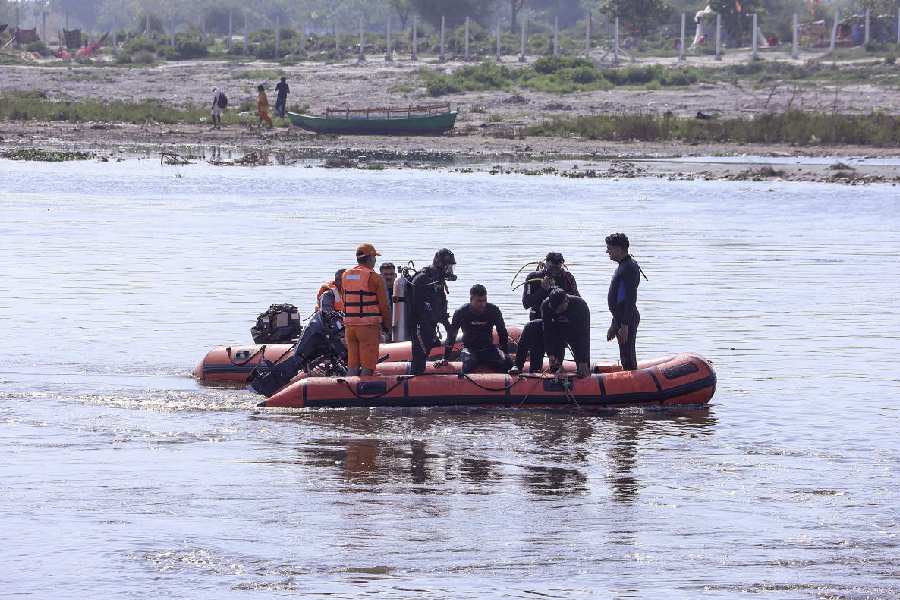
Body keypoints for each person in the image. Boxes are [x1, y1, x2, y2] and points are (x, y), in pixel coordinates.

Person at [341, 244, 391, 376]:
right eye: (374, 257)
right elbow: (384, 306)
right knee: (368, 366)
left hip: (350, 327)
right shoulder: (375, 278)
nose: (375, 260)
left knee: (353, 365)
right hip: (367, 327)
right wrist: (388, 326)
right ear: (370, 258)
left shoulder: (346, 275)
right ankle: (363, 393)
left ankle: (348, 392)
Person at [438, 284, 511, 374]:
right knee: (469, 363)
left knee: (507, 363)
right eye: (479, 301)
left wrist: (505, 353)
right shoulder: (461, 312)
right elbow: (452, 335)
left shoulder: (493, 310)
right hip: (469, 349)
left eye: (484, 300)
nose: (482, 304)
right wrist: (445, 358)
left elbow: (502, 332)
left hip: (488, 348)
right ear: (471, 300)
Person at [410, 248, 456, 375]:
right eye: (448, 266)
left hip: (431, 323)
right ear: (440, 264)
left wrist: (446, 323)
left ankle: (443, 360)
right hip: (420, 325)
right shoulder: (422, 278)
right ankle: (415, 382)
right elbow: (417, 306)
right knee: (420, 355)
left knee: (426, 352)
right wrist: (428, 322)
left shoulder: (438, 279)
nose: (449, 270)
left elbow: (440, 302)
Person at [605, 232, 641, 371]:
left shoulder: (629, 268)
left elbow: (630, 298)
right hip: (621, 317)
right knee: (624, 353)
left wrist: (624, 325)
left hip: (628, 318)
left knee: (627, 355)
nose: (607, 251)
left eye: (609, 248)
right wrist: (615, 323)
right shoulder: (623, 265)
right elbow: (620, 298)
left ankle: (633, 387)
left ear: (619, 249)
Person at [541, 288, 591, 378]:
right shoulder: (546, 306)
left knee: (583, 368)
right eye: (554, 309)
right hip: (557, 333)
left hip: (576, 334)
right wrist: (550, 353)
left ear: (566, 301)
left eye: (558, 309)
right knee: (554, 365)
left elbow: (584, 335)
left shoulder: (580, 306)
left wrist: (583, 360)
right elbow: (547, 331)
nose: (556, 312)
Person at [522, 252, 579, 321]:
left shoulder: (568, 278)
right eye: (553, 268)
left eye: (558, 268)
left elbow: (577, 300)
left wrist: (559, 291)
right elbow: (526, 304)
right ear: (547, 263)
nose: (555, 272)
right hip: (539, 317)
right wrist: (543, 290)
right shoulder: (533, 277)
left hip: (561, 317)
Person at [379, 262, 397, 342]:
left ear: (395, 275)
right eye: (385, 274)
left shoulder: (402, 291)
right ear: (380, 276)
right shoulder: (374, 292)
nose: (389, 277)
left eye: (391, 274)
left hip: (399, 328)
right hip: (382, 329)